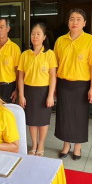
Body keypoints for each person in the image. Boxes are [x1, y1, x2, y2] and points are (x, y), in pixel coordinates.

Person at [54, 9, 92, 160]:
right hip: (63, 84)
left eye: (78, 19)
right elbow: (55, 65)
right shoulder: (60, 40)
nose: (75, 22)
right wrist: (53, 88)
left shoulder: (91, 40)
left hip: (82, 85)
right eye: (72, 19)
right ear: (68, 22)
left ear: (84, 23)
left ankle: (78, 147)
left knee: (80, 117)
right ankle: (66, 145)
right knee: (65, 116)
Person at [18, 22, 57, 156]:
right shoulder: (25, 54)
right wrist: (21, 95)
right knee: (32, 121)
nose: (35, 36)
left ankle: (41, 145)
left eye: (38, 34)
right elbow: (21, 78)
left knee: (43, 121)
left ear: (44, 37)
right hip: (29, 91)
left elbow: (53, 77)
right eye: (33, 34)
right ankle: (34, 144)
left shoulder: (49, 54)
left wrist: (51, 95)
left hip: (44, 91)